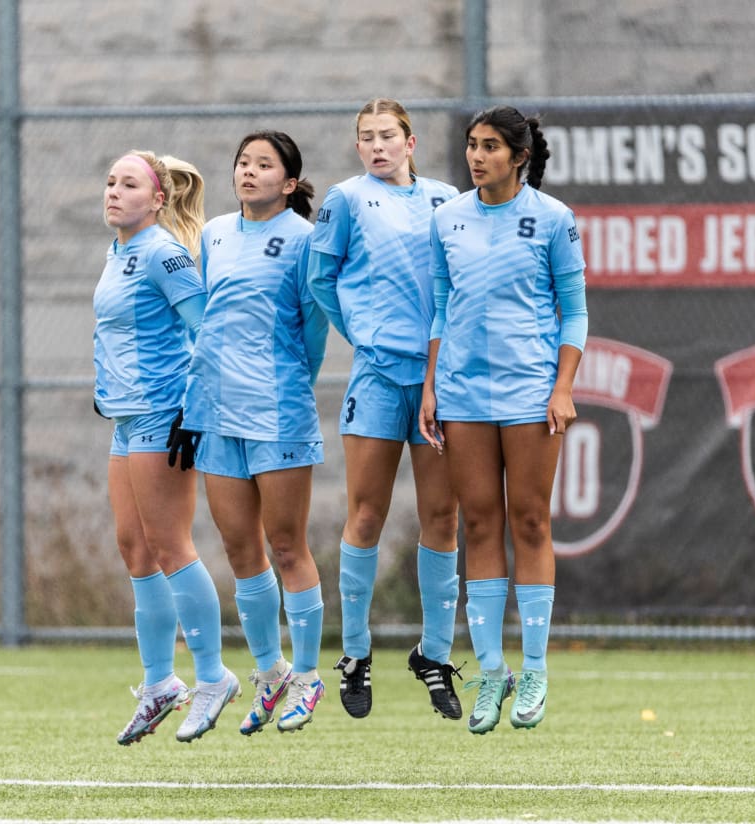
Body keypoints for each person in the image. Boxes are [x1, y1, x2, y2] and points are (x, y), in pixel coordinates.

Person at [419, 105, 588, 734]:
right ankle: (492, 671)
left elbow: (574, 312)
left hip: (529, 391)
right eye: (471, 145)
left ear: (519, 156)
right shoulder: (448, 219)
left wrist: (562, 387)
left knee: (530, 520)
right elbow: (440, 305)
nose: (476, 155)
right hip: (462, 393)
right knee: (480, 522)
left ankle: (536, 666)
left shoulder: (553, 220)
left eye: (490, 146)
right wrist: (432, 385)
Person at [307, 98, 464, 721]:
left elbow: (459, 279)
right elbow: (321, 279)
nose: (376, 146)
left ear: (410, 141)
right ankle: (355, 653)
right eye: (366, 138)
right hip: (376, 378)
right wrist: (363, 333)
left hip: (437, 379)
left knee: (442, 517)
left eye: (386, 136)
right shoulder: (346, 201)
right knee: (366, 514)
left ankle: (434, 654)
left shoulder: (447, 199)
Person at [171, 130, 329, 734]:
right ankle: (271, 673)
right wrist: (193, 405)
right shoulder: (213, 234)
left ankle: (309, 678)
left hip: (277, 411)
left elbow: (313, 332)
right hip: (216, 413)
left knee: (286, 545)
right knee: (241, 548)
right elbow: (206, 326)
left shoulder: (304, 241)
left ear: (289, 183)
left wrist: (286, 387)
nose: (249, 172)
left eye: (265, 165)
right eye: (243, 162)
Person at [93, 150, 239, 746]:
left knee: (171, 545)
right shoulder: (118, 251)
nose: (113, 191)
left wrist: (194, 411)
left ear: (157, 200)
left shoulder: (165, 253)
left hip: (164, 414)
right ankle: (159, 684)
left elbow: (207, 333)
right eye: (109, 182)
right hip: (125, 420)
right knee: (135, 549)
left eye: (129, 184)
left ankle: (212, 676)